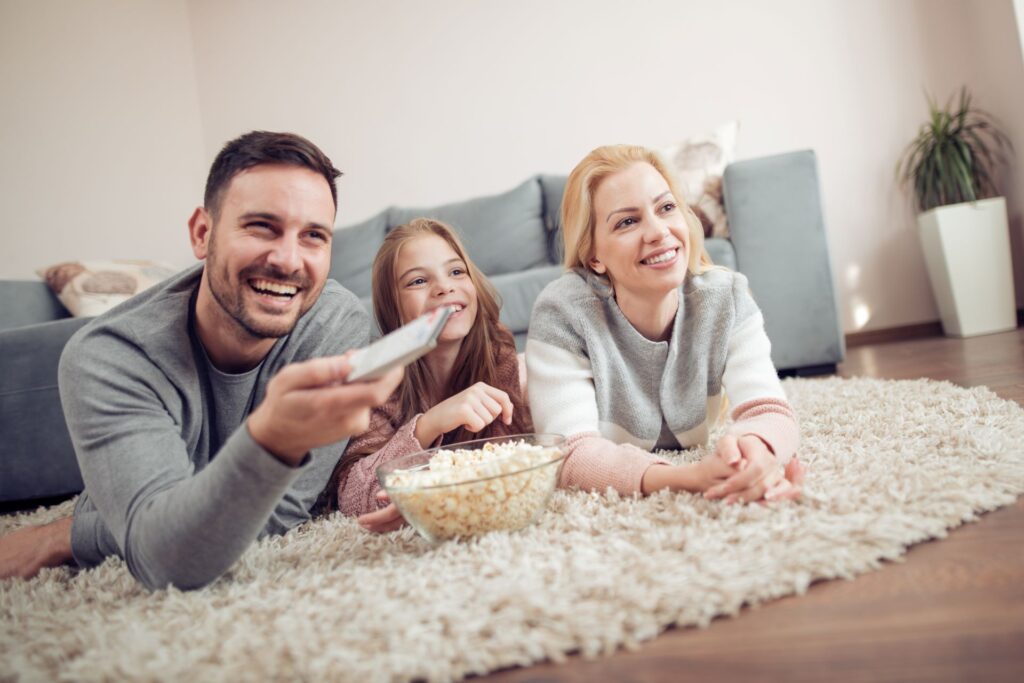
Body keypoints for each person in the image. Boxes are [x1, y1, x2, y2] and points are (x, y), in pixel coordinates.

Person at [0, 131, 402, 589]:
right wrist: (274, 441)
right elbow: (167, 563)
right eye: (261, 226)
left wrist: (70, 536)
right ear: (202, 232)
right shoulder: (107, 356)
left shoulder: (334, 320)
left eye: (313, 236)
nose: (288, 260)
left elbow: (286, 510)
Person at [527, 144, 804, 503]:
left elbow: (769, 411)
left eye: (666, 208)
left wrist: (756, 457)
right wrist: (687, 477)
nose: (659, 232)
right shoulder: (561, 313)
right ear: (594, 256)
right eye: (627, 221)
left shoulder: (727, 296)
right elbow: (571, 454)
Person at [326, 218, 531, 533]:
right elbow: (353, 499)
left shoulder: (497, 351)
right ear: (391, 306)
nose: (445, 287)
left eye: (456, 272)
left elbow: (518, 457)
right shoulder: (379, 377)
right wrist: (429, 424)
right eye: (418, 281)